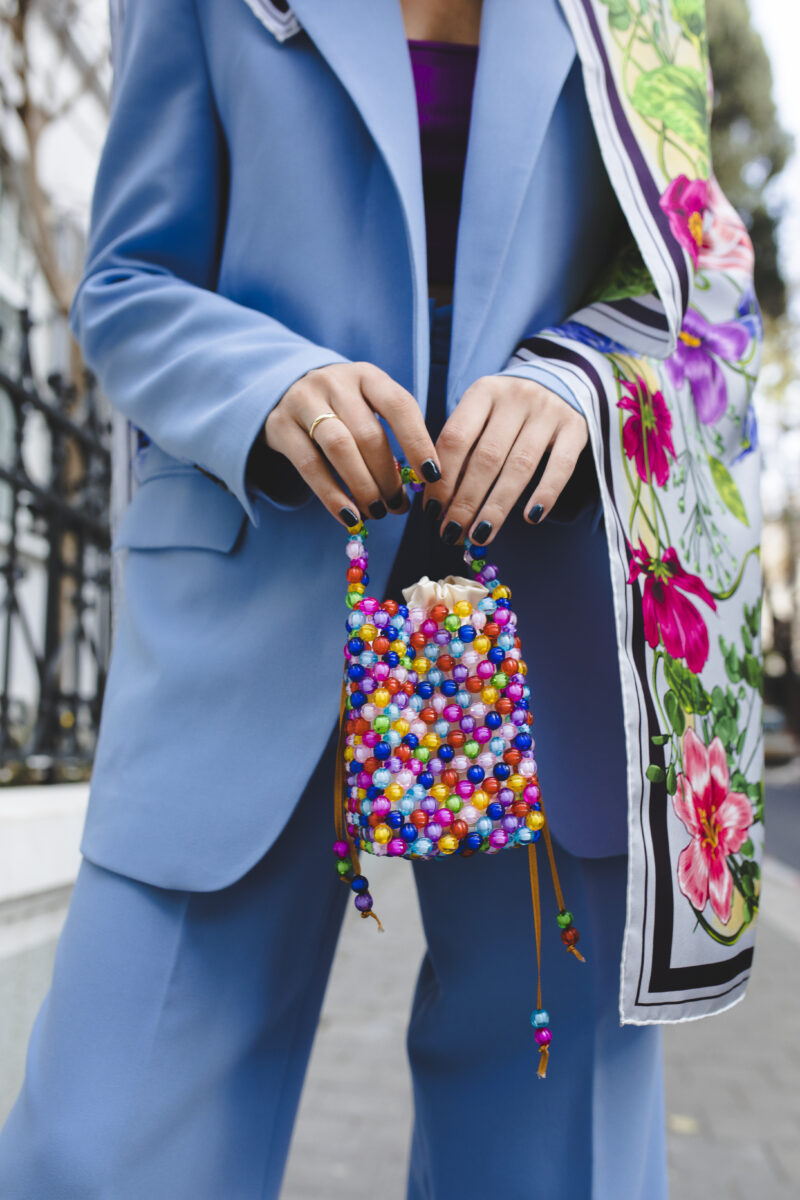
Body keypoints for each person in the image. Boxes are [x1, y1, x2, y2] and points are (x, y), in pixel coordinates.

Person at [0, 0, 764, 1196]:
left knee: (550, 1165)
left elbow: (699, 290)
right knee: (100, 1155)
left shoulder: (641, 10)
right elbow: (128, 281)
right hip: (257, 589)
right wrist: (269, 385)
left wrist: (574, 384)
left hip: (547, 621)